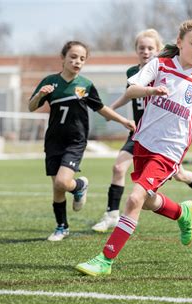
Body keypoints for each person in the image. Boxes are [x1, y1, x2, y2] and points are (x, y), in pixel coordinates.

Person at [76, 19, 192, 276]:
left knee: (134, 198)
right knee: (145, 202)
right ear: (179, 43)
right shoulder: (159, 64)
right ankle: (182, 212)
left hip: (170, 150)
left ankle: (105, 259)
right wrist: (151, 90)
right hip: (143, 143)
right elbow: (133, 89)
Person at [92, 29, 192, 233]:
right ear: (136, 50)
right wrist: (111, 110)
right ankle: (112, 214)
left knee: (179, 175)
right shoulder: (134, 73)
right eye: (141, 48)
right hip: (140, 133)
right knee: (119, 169)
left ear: (159, 50)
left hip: (166, 138)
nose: (145, 52)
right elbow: (130, 94)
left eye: (150, 48)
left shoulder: (168, 69)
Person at [28, 41, 135, 242]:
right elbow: (31, 107)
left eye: (82, 58)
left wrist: (123, 121)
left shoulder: (85, 85)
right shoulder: (50, 82)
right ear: (63, 58)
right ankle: (62, 226)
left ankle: (78, 186)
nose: (77, 61)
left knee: (62, 182)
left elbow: (101, 108)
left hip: (75, 141)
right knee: (57, 187)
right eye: (73, 57)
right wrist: (41, 95)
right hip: (53, 141)